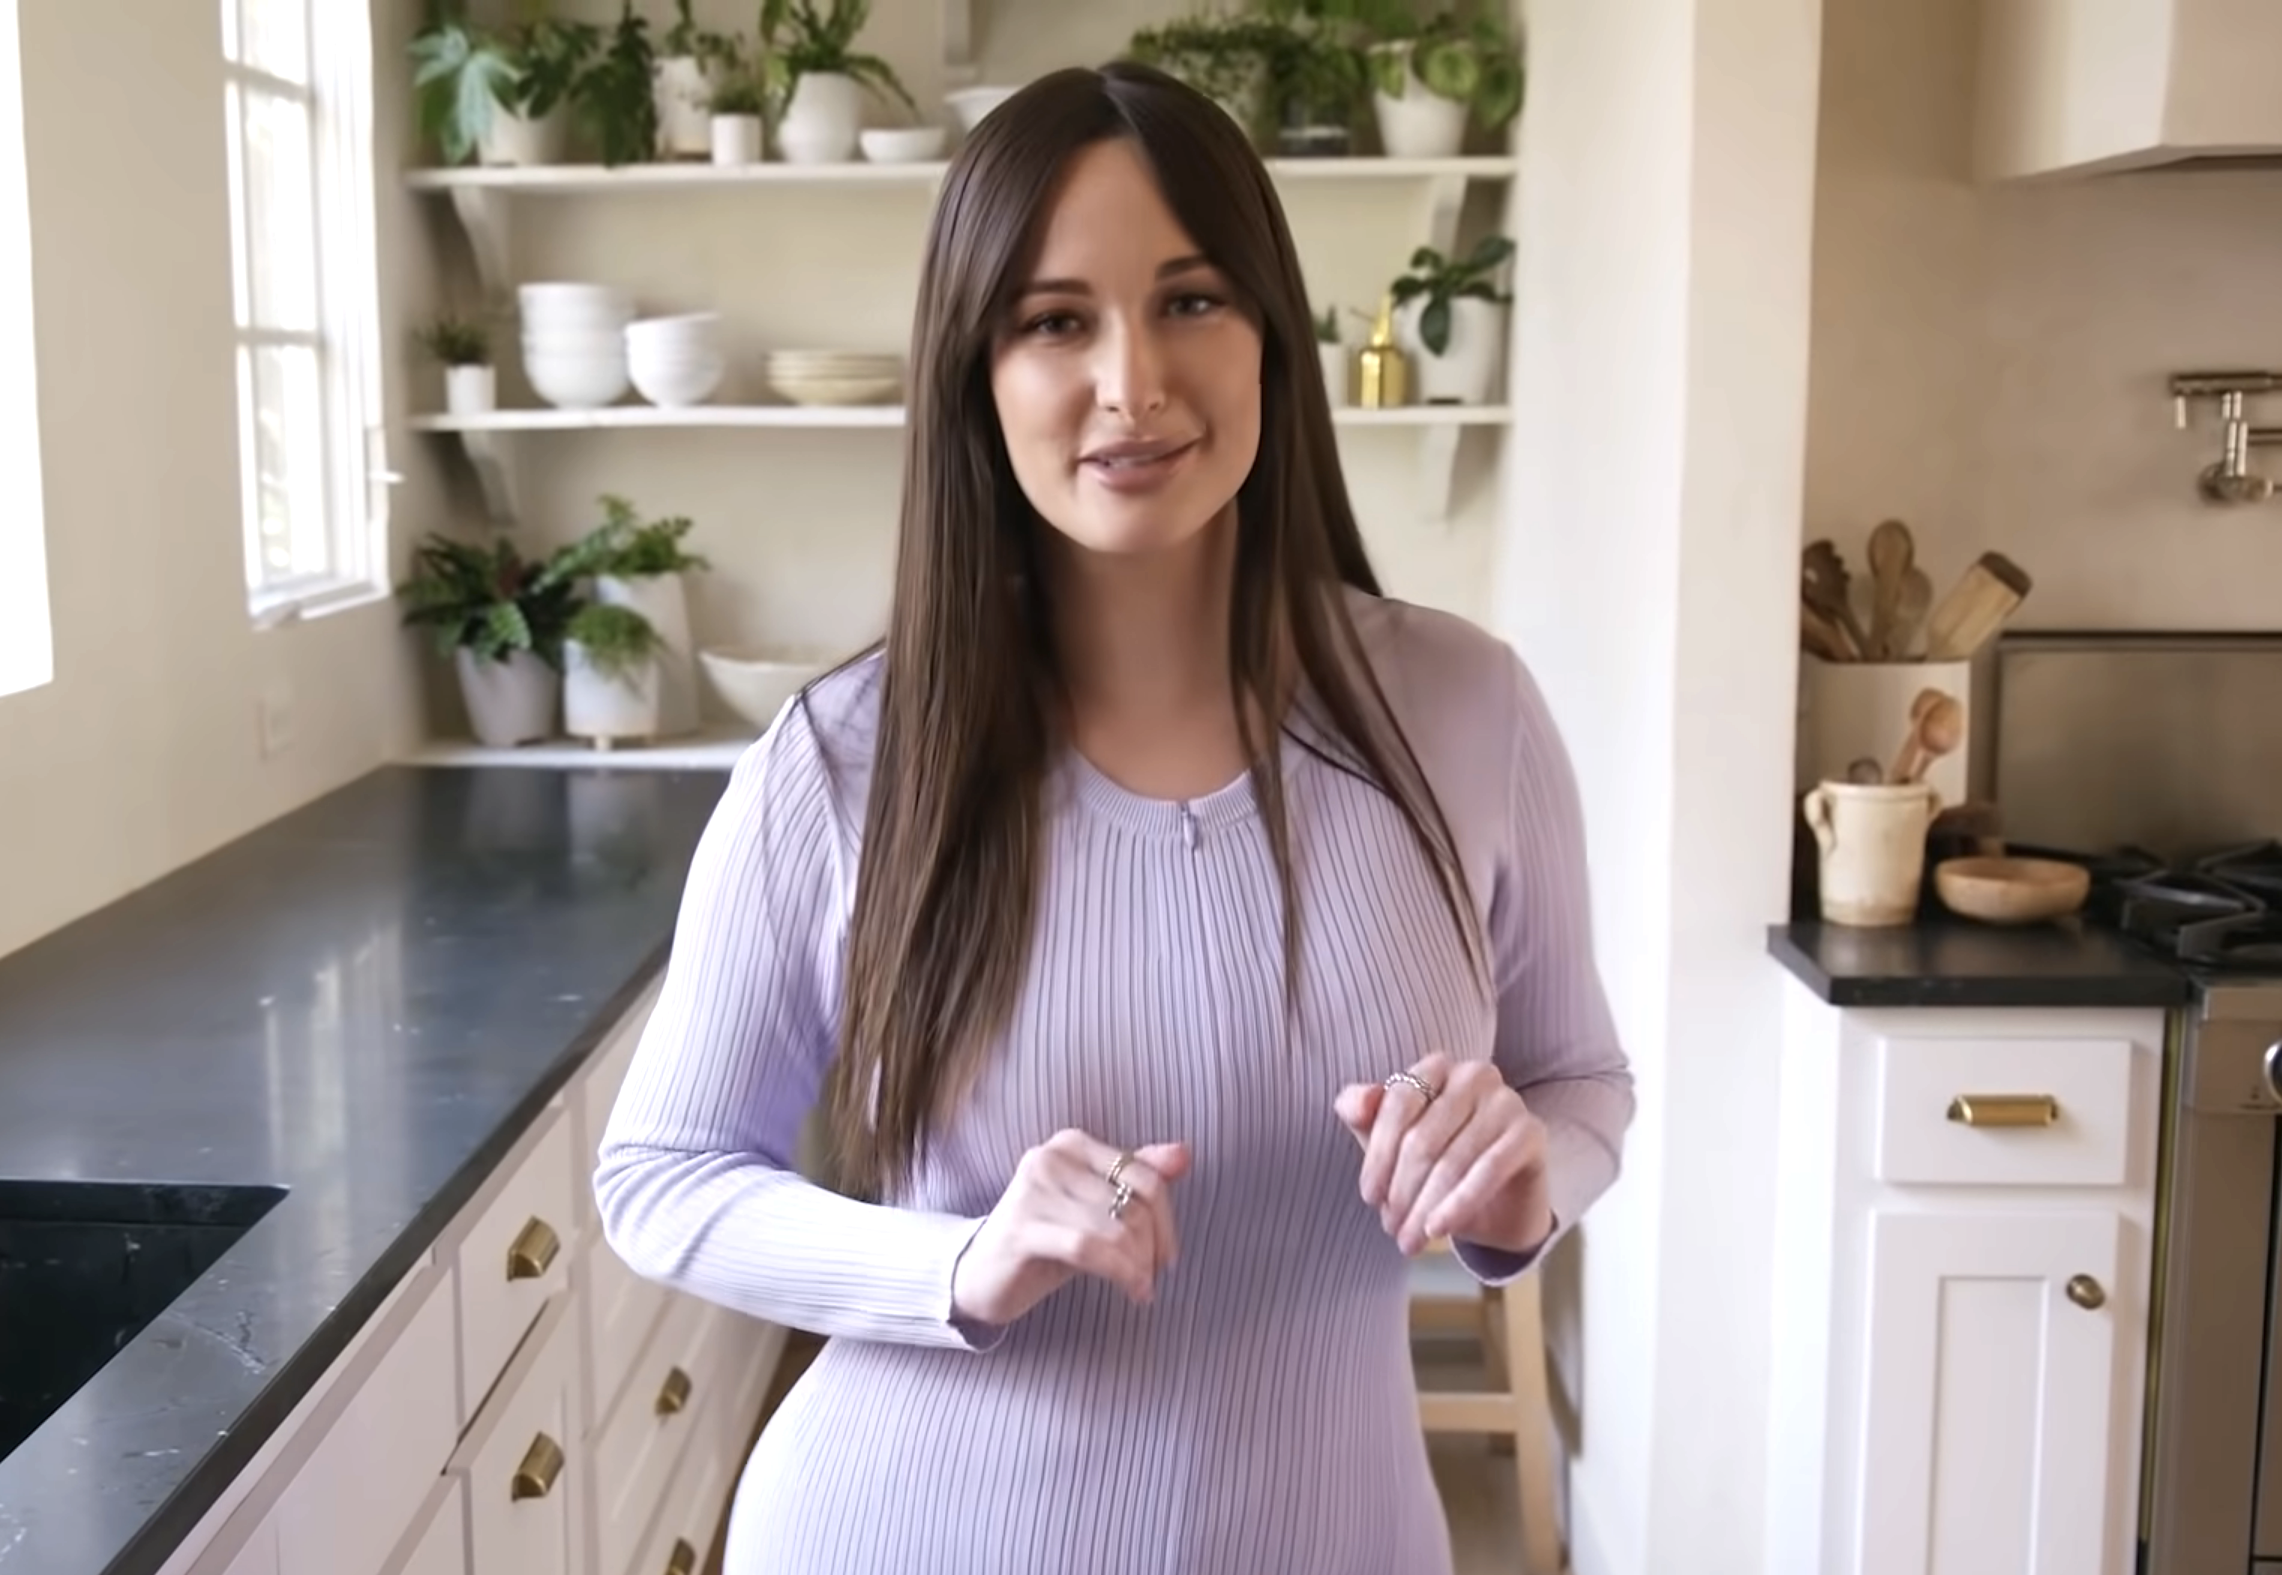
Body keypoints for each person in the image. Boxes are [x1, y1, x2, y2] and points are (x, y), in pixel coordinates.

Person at [592, 59, 1634, 1575]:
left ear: (1274, 334)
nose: (1132, 382)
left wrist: (1525, 1175)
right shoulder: (841, 764)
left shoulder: (1468, 712)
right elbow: (661, 1173)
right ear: (978, 371)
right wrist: (958, 1260)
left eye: (1193, 300)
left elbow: (1582, 1077)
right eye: (1056, 320)